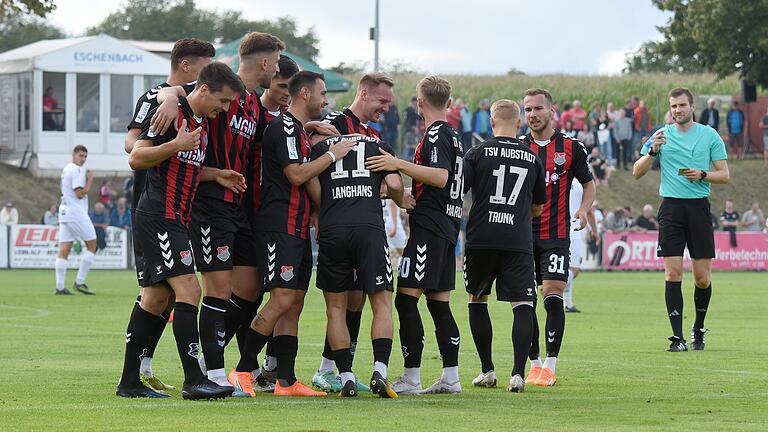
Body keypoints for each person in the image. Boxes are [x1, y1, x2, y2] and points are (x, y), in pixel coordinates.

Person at [118, 61, 243, 400]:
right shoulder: (173, 115)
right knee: (190, 290)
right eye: (224, 101)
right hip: (160, 215)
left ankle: (129, 382)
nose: (225, 108)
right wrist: (177, 143)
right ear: (204, 90)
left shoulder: (198, 121)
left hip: (175, 216)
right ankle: (193, 381)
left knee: (157, 297)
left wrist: (215, 173)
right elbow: (137, 157)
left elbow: (183, 168)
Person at [228, 71, 355, 398]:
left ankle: (286, 380)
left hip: (297, 227)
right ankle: (242, 370)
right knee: (282, 297)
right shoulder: (284, 126)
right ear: (304, 94)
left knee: (294, 303)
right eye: (322, 93)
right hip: (278, 226)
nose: (326, 101)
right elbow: (296, 174)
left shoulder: (297, 129)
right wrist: (332, 154)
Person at [365, 75, 465, 395]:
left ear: (419, 102)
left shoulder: (436, 134)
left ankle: (411, 378)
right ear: (448, 102)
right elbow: (441, 184)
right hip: (445, 227)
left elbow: (439, 176)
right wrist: (402, 194)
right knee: (439, 304)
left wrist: (397, 163)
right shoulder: (454, 136)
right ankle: (451, 377)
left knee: (406, 301)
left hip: (430, 229)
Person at [309, 72, 396, 394]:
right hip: (346, 224)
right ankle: (326, 369)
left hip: (345, 226)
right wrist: (324, 209)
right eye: (381, 101)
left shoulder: (370, 133)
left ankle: (337, 370)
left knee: (355, 301)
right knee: (347, 302)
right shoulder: (332, 124)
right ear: (363, 93)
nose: (386, 108)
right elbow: (310, 161)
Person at [633, 87, 729, 352]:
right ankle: (677, 338)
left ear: (692, 106)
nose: (677, 110)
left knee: (701, 278)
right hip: (671, 209)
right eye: (673, 106)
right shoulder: (661, 135)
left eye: (682, 105)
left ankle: (698, 327)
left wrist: (702, 174)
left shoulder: (709, 135)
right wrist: (652, 152)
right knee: (673, 272)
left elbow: (725, 174)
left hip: (698, 209)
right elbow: (636, 171)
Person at [462, 99, 546, 392]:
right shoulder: (533, 158)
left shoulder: (477, 153)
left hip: (481, 238)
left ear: (491, 120)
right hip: (517, 240)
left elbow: (461, 192)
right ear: (519, 122)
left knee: (477, 299)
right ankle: (518, 374)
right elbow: (537, 208)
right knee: (522, 304)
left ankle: (487, 370)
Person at [520, 88, 595, 387]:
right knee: (524, 302)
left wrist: (584, 210)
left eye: (538, 108)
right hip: (521, 237)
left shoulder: (571, 147)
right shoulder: (518, 147)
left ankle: (550, 364)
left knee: (551, 294)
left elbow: (589, 185)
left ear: (552, 110)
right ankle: (533, 363)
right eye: (527, 110)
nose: (532, 115)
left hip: (556, 234)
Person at [55, 145, 97, 296]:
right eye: (81, 156)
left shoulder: (67, 168)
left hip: (64, 211)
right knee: (93, 245)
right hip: (75, 212)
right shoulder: (77, 170)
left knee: (64, 249)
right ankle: (79, 282)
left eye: (85, 156)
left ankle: (59, 287)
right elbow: (79, 193)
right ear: (74, 155)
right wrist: (90, 180)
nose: (83, 159)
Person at [564, 181, 598, 313]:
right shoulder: (582, 184)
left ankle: (568, 303)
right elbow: (588, 211)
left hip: (558, 230)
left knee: (565, 268)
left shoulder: (560, 179)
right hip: (574, 231)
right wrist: (594, 231)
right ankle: (553, 286)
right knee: (574, 270)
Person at [261, 54, 300, 121]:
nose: (287, 93)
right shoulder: (250, 110)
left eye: (292, 87)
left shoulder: (293, 118)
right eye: (282, 86)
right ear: (268, 79)